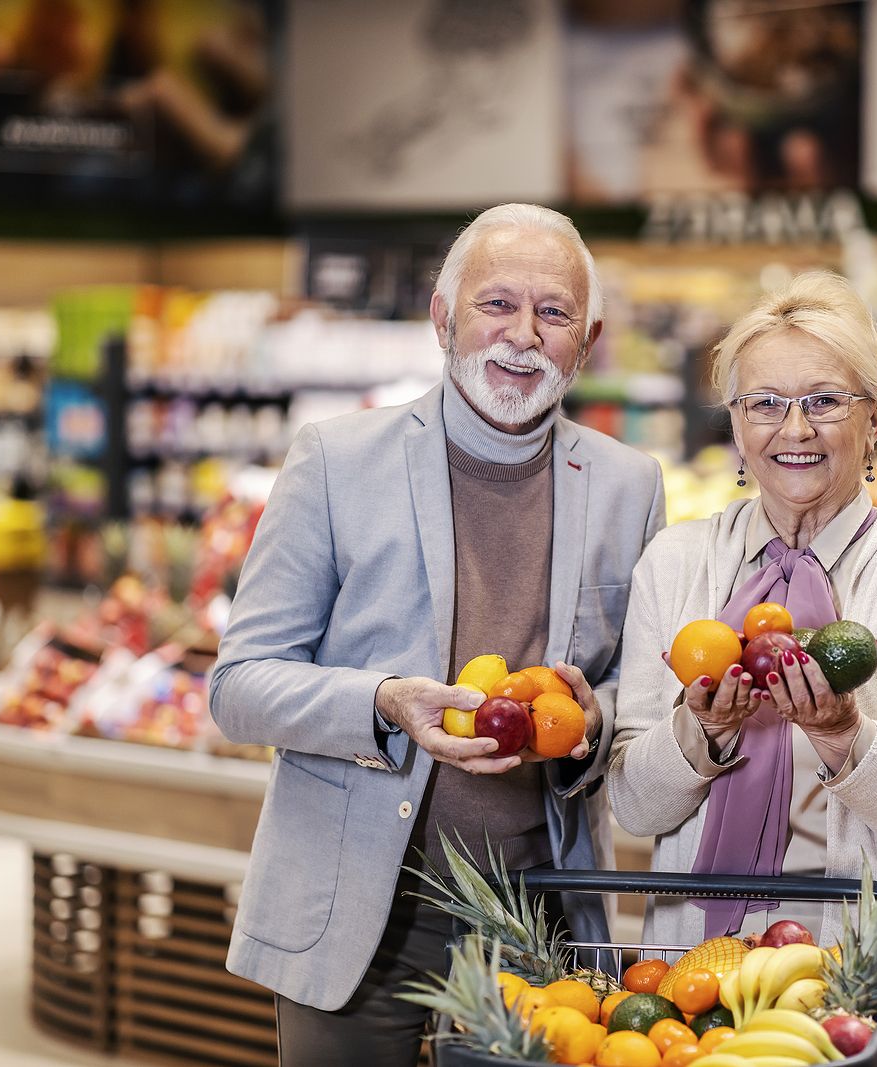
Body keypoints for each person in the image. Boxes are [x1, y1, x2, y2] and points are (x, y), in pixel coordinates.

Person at [211, 203, 665, 1065]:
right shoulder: (336, 461)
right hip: (357, 910)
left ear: (588, 336)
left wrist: (592, 721)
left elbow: (633, 690)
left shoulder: (628, 485)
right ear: (442, 316)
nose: (523, 335)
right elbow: (239, 686)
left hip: (537, 914)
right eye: (497, 303)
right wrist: (382, 702)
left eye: (554, 312)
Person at [607, 271, 877, 1064]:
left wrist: (848, 739)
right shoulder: (675, 566)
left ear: (875, 418)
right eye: (764, 402)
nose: (795, 427)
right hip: (699, 987)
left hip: (872, 987)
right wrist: (698, 734)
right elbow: (631, 807)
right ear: (735, 422)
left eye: (825, 400)